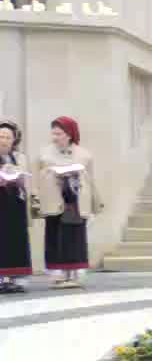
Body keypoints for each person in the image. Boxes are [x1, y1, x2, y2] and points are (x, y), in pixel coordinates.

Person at [36, 117, 99, 289]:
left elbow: (90, 180)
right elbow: (37, 177)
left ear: (69, 134)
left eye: (59, 134)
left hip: (75, 203)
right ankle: (58, 274)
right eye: (53, 133)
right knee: (55, 237)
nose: (55, 137)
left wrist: (93, 204)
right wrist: (53, 174)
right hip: (54, 202)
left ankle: (74, 274)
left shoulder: (84, 154)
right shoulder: (44, 154)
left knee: (75, 238)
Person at [0, 121, 30, 293]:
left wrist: (18, 178)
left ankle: (13, 278)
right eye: (1, 136)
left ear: (14, 140)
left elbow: (25, 180)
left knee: (15, 241)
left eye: (7, 137)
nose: (3, 140)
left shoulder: (18, 158)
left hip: (15, 204)